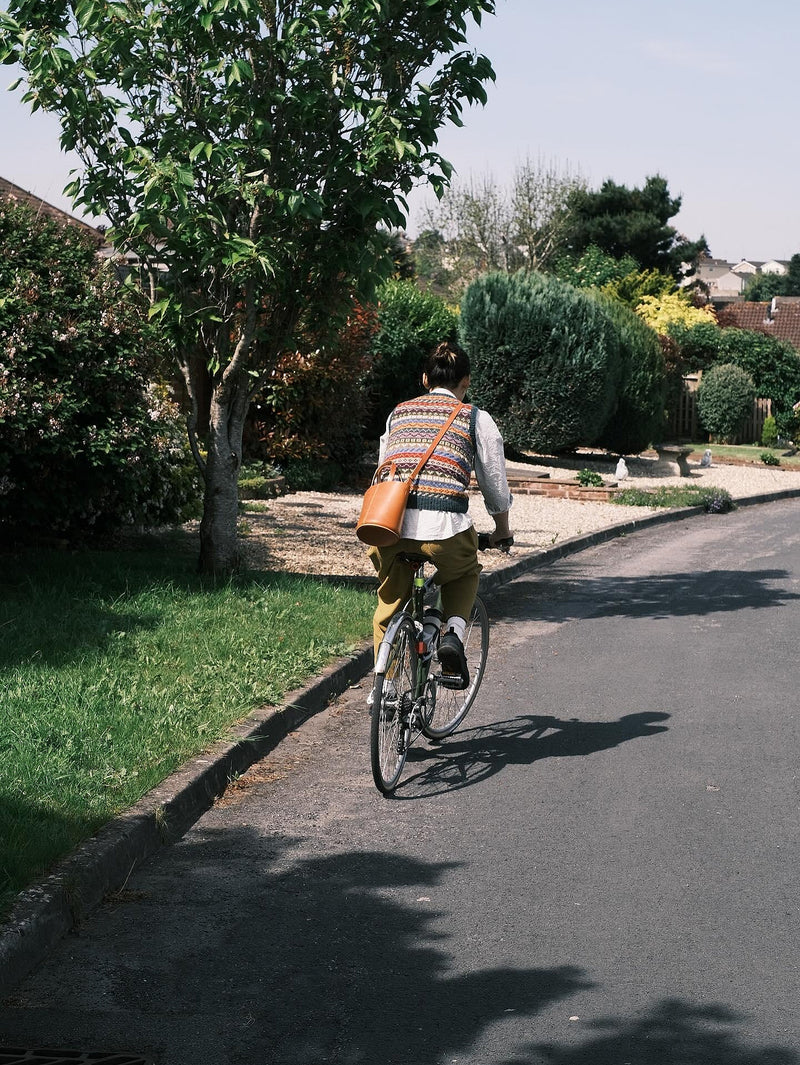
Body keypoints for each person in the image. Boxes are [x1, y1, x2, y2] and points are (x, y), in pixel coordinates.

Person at [367, 340, 513, 685]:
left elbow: (384, 471)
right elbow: (494, 483)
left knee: (388, 606)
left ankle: (383, 690)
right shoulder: (475, 418)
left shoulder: (398, 413)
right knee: (464, 573)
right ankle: (452, 635)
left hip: (390, 528)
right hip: (446, 529)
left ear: (424, 379)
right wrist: (502, 530)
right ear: (466, 382)